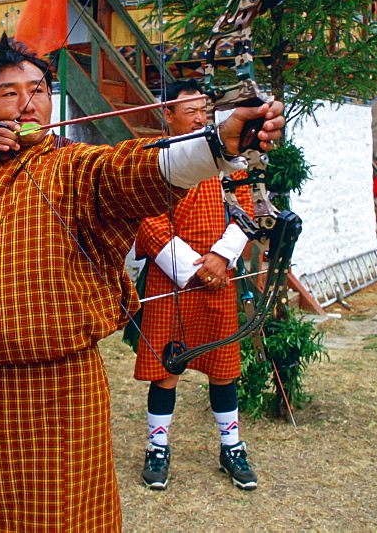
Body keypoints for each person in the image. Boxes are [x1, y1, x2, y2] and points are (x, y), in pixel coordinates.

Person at [0, 36, 285, 530]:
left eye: (39, 89)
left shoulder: (76, 166)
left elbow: (139, 167)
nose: (28, 102)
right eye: (10, 93)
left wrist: (219, 143)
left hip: (69, 385)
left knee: (75, 517)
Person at [133, 79, 258, 492]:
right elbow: (148, 220)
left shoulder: (229, 156)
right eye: (190, 111)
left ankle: (231, 446)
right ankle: (157, 448)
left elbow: (247, 209)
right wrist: (191, 268)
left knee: (223, 370)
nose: (201, 117)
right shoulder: (155, 157)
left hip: (217, 277)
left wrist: (222, 257)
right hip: (173, 281)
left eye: (204, 110)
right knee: (165, 371)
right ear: (167, 117)